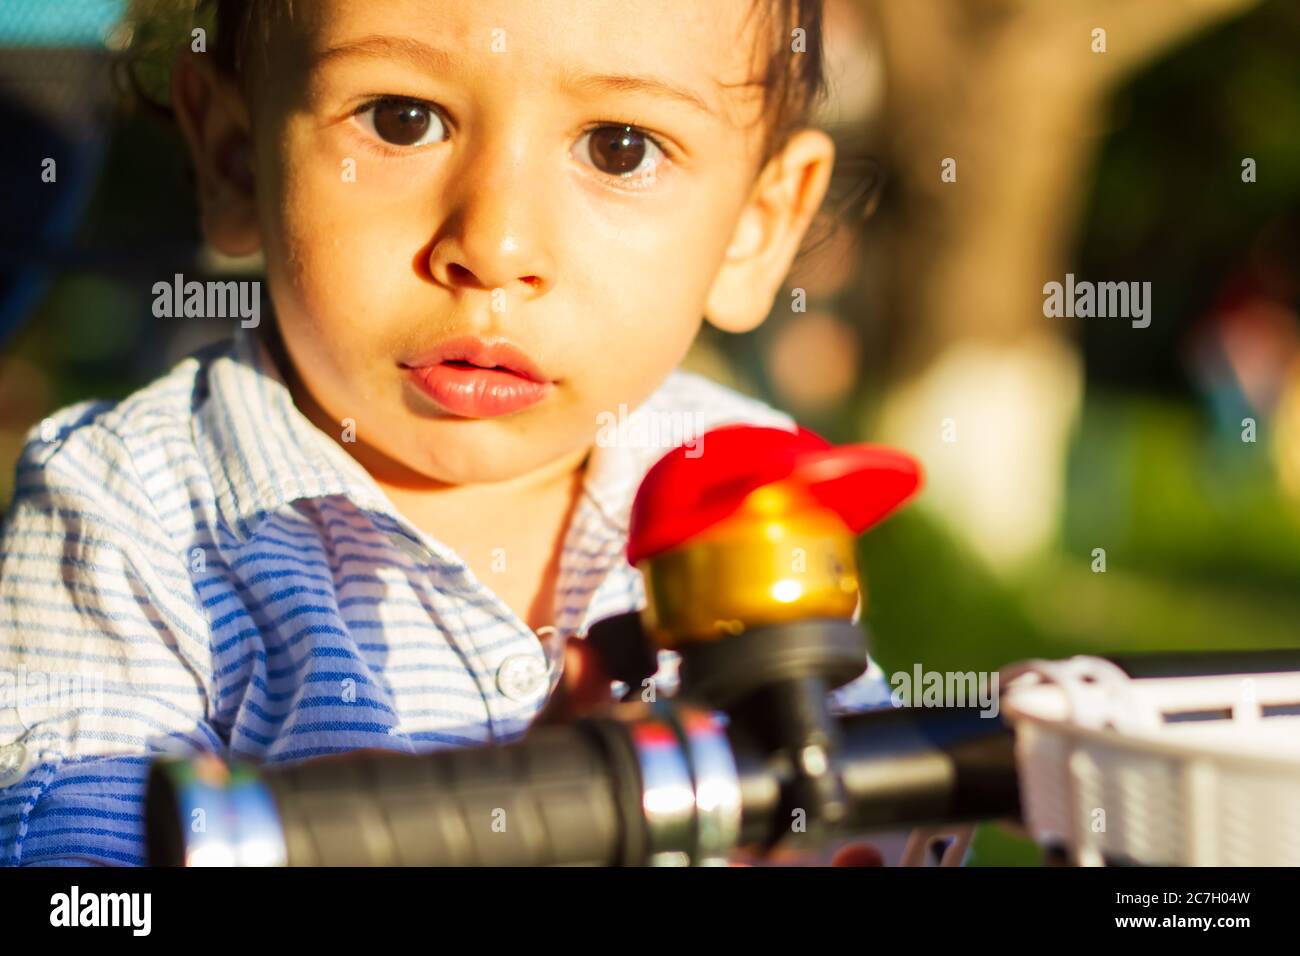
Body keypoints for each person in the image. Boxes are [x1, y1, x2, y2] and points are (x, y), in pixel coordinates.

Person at [0, 0, 891, 866]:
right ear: (235, 159)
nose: (495, 244)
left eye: (621, 148)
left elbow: (860, 807)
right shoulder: (126, 512)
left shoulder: (745, 489)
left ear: (754, 227)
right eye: (401, 119)